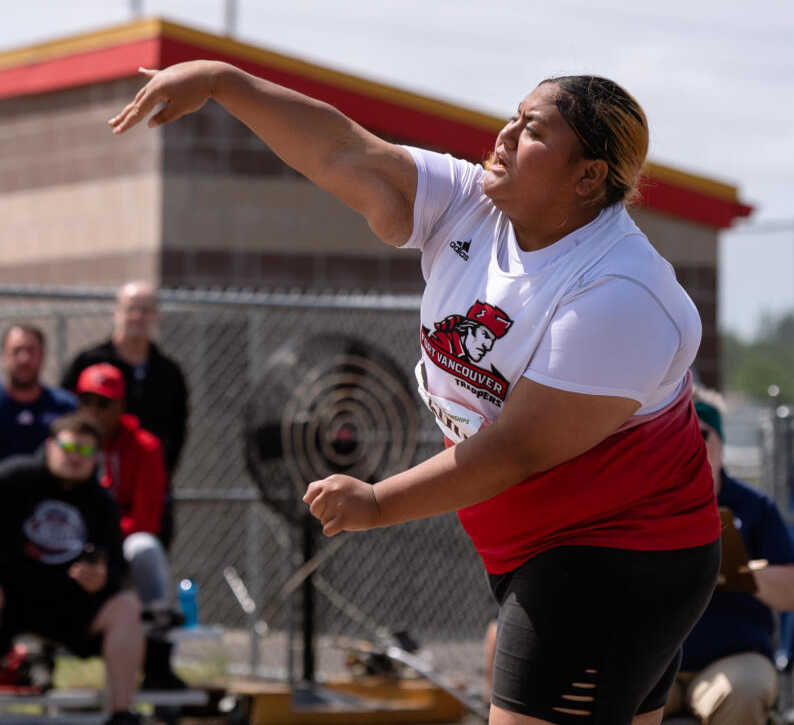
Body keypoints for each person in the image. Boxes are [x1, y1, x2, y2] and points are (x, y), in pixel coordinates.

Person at [110, 61, 722, 725]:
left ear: (588, 176)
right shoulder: (474, 206)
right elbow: (347, 152)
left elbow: (519, 450)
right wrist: (223, 83)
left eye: (535, 130)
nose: (507, 134)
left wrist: (377, 502)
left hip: (616, 553)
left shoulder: (621, 293)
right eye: (513, 116)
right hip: (547, 546)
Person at [0, 412, 144, 725]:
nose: (76, 458)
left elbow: (117, 565)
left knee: (126, 606)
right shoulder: (14, 479)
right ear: (50, 446)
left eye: (86, 451)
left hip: (72, 606)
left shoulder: (101, 502)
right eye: (69, 449)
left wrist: (104, 580)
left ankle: (122, 713)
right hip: (11, 599)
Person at [663, 390, 794, 725]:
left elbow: (790, 592)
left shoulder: (754, 507)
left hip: (733, 657)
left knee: (745, 691)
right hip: (654, 662)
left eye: (701, 432)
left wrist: (740, 570)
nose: (690, 439)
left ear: (720, 442)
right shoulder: (644, 504)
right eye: (677, 429)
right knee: (606, 694)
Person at [75, 362, 186, 692]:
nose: (94, 411)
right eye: (87, 401)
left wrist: (103, 537)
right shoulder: (68, 443)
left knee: (145, 548)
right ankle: (34, 660)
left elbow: (146, 521)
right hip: (73, 544)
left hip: (119, 543)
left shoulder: (145, 447)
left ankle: (157, 656)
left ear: (121, 405)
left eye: (104, 403)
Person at [60, 281, 189, 545]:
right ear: (116, 312)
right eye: (131, 308)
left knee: (146, 547)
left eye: (145, 310)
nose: (137, 317)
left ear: (157, 316)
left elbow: (179, 426)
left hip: (145, 475)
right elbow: (65, 418)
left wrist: (159, 469)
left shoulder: (168, 371)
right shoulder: (90, 361)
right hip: (88, 470)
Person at [0, 323, 77, 459]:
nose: (24, 359)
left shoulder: (65, 406)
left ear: (42, 355)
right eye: (16, 350)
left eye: (31, 350)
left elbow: (76, 450)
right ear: (4, 355)